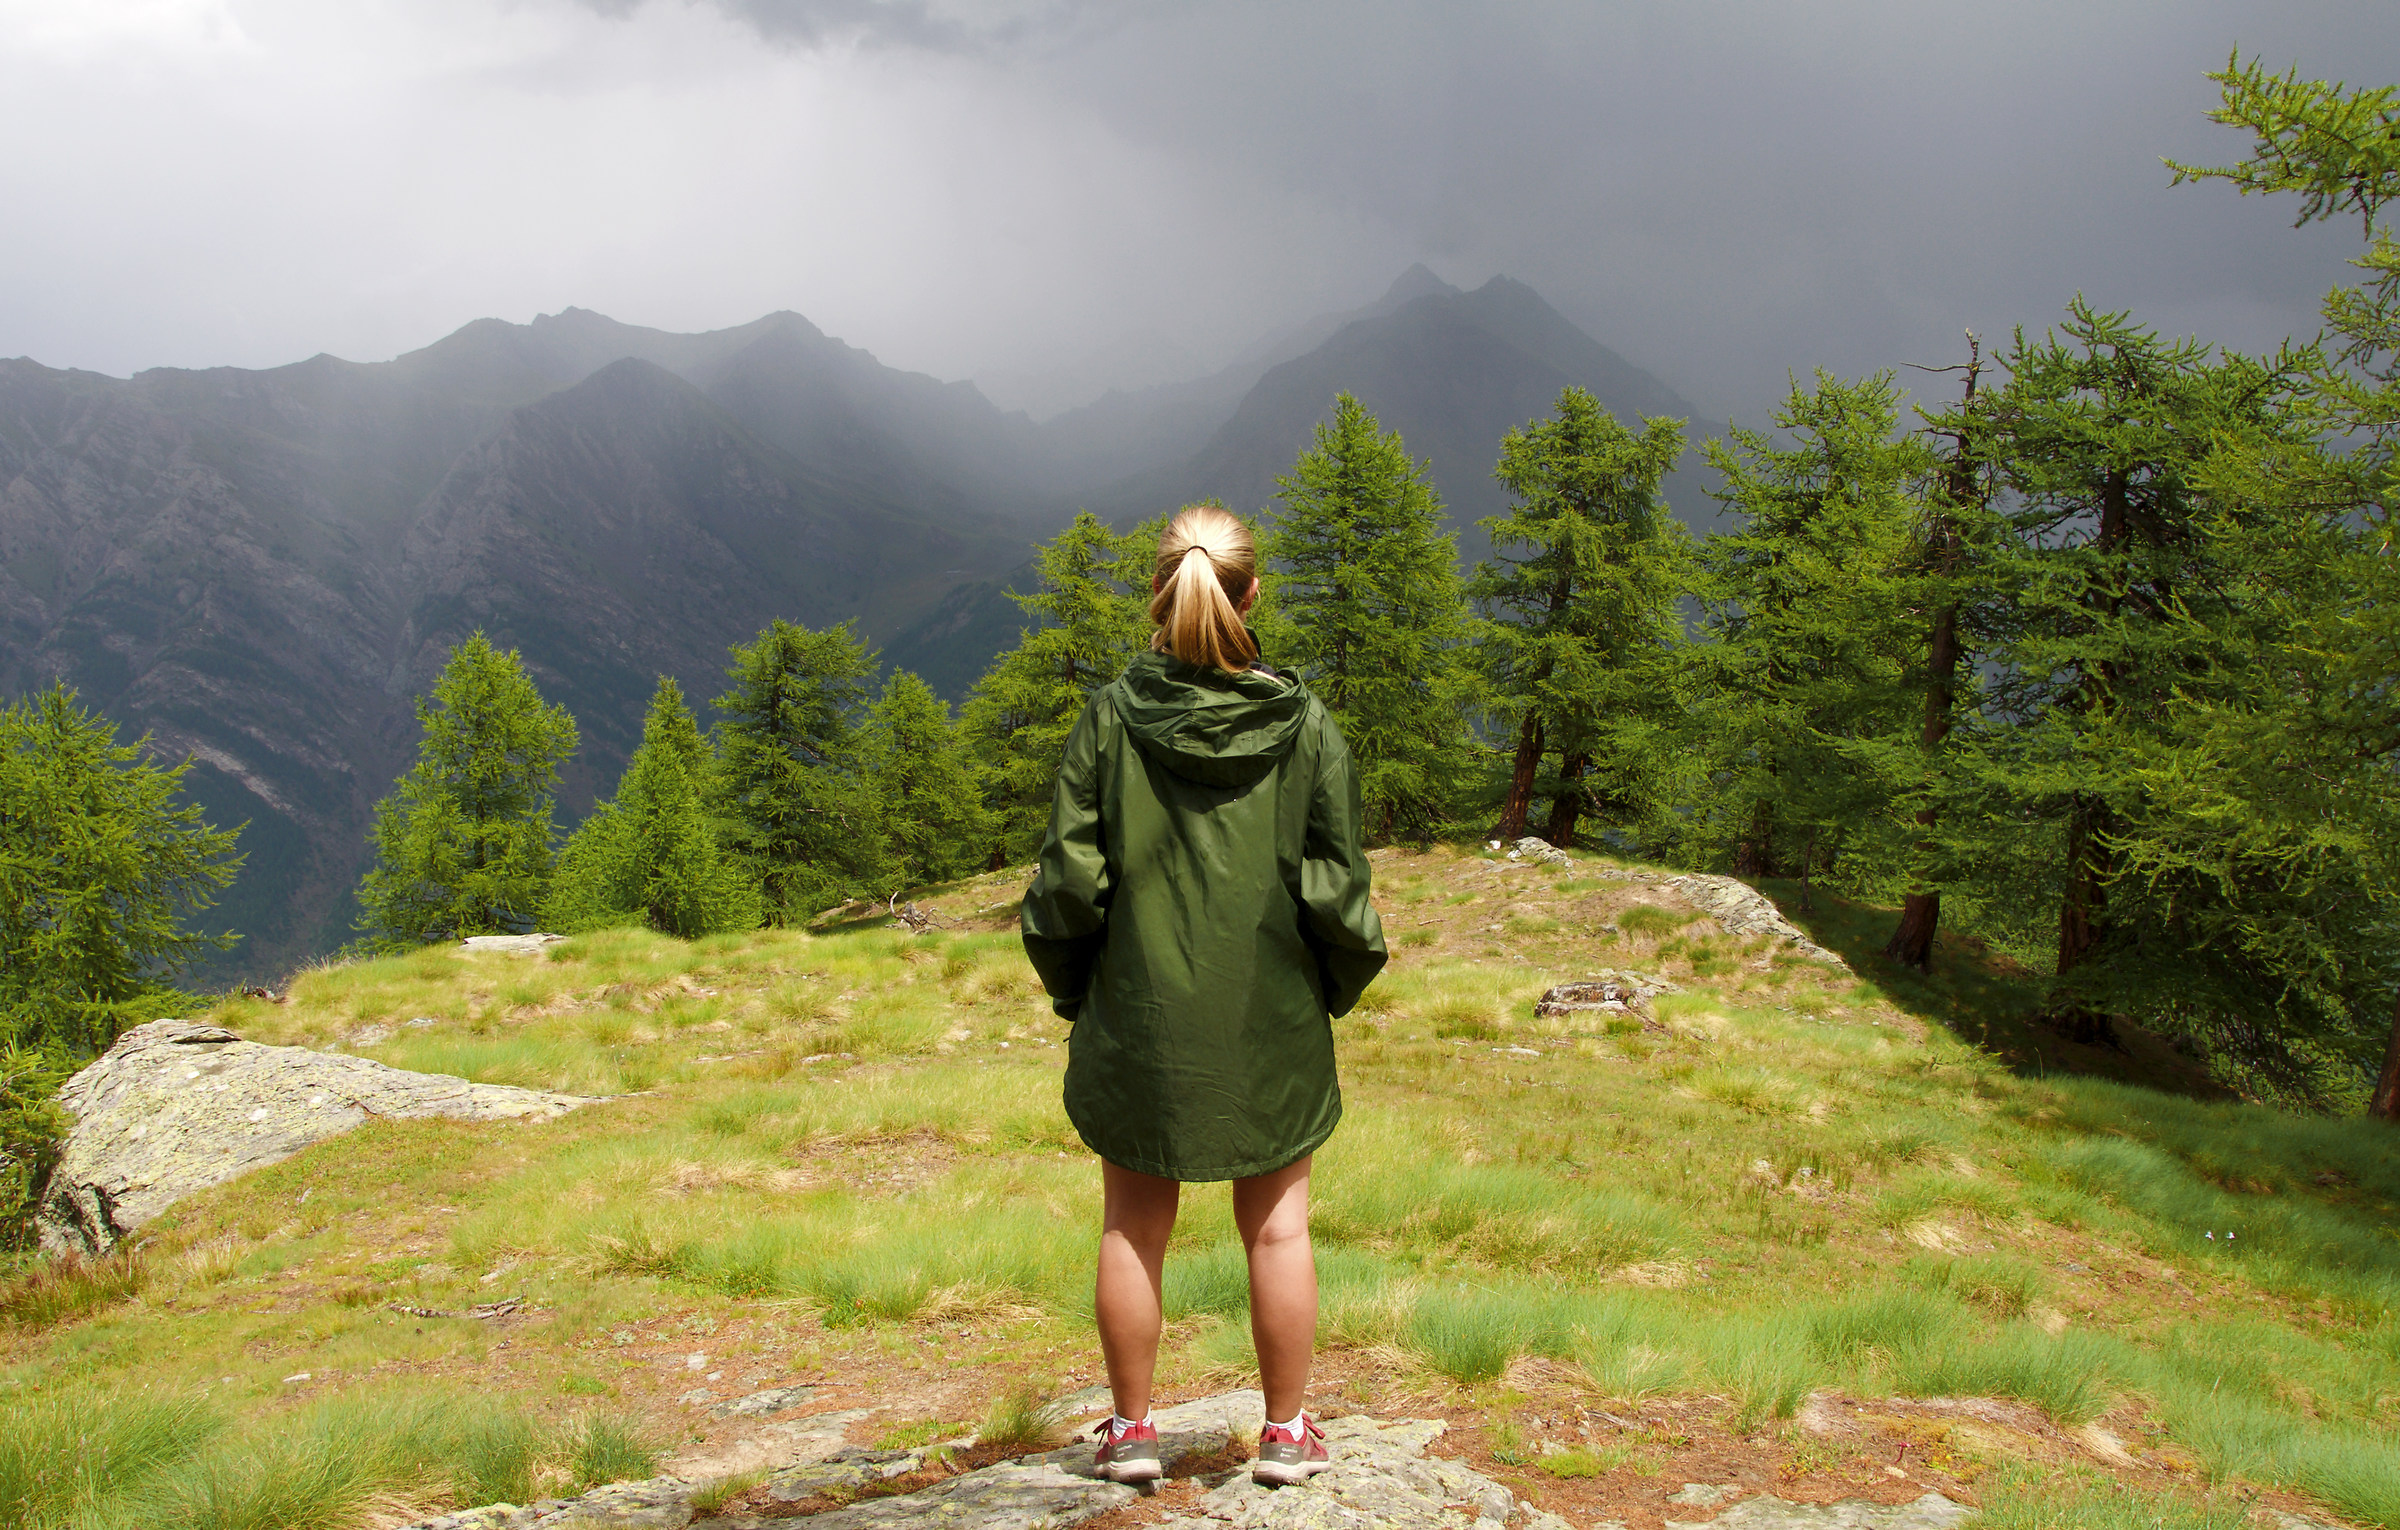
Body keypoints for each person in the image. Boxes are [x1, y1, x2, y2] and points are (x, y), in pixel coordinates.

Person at [1022, 504, 1387, 1489]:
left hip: (1138, 1021)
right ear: (1251, 594)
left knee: (1133, 1227)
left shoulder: (1109, 719)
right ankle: (1286, 1436)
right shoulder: (1305, 725)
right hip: (1269, 1020)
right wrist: (1329, 994)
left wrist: (1078, 997)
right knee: (1279, 1227)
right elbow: (1338, 891)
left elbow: (1066, 886)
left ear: (1160, 594)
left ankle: (1132, 1433)